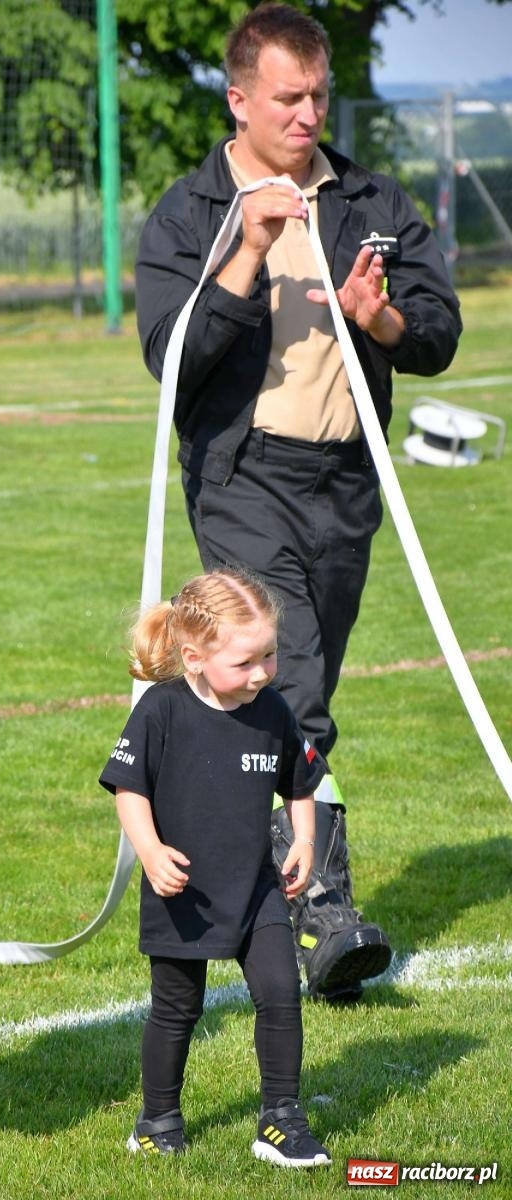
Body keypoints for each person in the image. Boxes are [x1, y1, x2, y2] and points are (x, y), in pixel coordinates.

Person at [134, 2, 462, 1003]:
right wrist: (243, 255)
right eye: (287, 98)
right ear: (239, 100)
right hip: (243, 478)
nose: (307, 114)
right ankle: (324, 914)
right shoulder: (191, 212)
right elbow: (171, 360)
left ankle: (254, 881)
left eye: (318, 95)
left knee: (288, 692)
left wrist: (382, 319)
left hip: (346, 483)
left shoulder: (369, 200)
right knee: (294, 675)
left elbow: (438, 330)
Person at [100, 567, 331, 1167]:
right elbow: (128, 789)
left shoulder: (273, 710)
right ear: (194, 658)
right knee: (177, 1008)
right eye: (245, 662)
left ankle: (281, 1120)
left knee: (281, 993)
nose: (261, 673)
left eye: (269, 656)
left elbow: (301, 782)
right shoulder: (161, 710)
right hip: (183, 891)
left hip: (256, 888)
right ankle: (157, 1120)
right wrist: (151, 852)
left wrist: (304, 838)